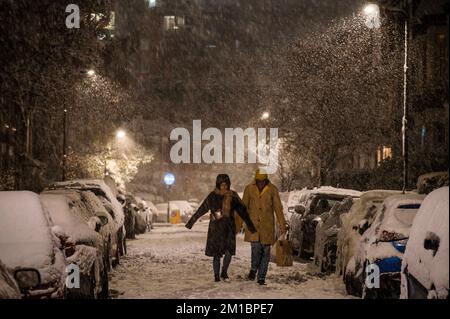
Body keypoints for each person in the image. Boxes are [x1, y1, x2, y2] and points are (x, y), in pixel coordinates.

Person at [185, 174, 257, 282]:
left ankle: (224, 272)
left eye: (226, 184)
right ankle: (216, 276)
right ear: (218, 185)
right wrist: (191, 222)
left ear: (228, 185)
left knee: (229, 252)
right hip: (216, 229)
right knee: (216, 254)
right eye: (221, 185)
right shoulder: (212, 196)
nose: (224, 187)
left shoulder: (233, 196)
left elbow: (243, 212)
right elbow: (201, 210)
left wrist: (251, 227)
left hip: (229, 228)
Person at [240, 168, 288, 285]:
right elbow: (243, 207)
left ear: (266, 180)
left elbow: (278, 209)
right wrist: (239, 223)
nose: (261, 183)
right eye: (258, 180)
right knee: (256, 249)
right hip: (253, 225)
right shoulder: (249, 189)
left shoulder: (272, 189)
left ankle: (261, 277)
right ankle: (253, 269)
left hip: (267, 226)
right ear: (255, 180)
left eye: (263, 180)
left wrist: (282, 224)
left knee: (265, 252)